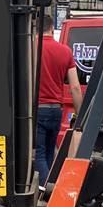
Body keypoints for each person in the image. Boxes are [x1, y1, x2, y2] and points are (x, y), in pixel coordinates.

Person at [35, 14, 82, 183]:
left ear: (36, 28)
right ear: (51, 29)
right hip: (56, 110)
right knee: (49, 152)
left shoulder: (31, 48)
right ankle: (46, 192)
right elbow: (75, 87)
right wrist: (80, 115)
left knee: (38, 154)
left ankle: (48, 191)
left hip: (37, 109)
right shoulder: (65, 51)